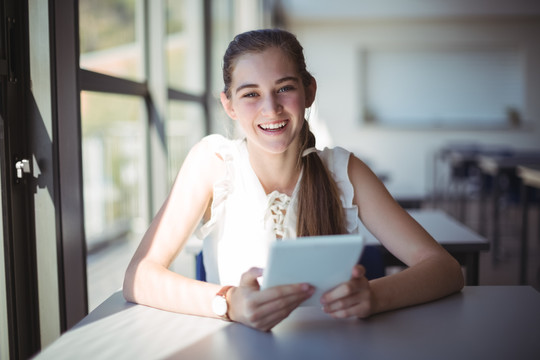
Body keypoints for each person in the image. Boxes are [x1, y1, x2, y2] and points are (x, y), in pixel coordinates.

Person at [123, 28, 464, 332]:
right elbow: (139, 277)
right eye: (251, 94)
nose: (271, 108)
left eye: (284, 88)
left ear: (309, 91)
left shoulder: (343, 169)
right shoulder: (213, 163)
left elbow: (445, 269)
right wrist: (228, 303)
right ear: (229, 105)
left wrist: (373, 295)